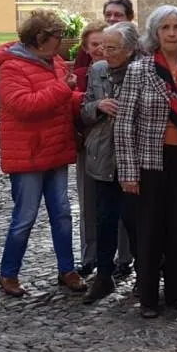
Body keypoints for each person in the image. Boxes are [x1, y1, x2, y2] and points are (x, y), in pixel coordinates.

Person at [0, 9, 87, 297]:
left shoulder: (53, 61)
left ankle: (67, 269)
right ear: (40, 38)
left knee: (62, 214)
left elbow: (65, 98)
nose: (62, 43)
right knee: (25, 216)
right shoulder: (12, 68)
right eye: (58, 37)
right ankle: (9, 273)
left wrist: (87, 100)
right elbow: (23, 106)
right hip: (29, 156)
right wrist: (63, 89)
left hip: (55, 150)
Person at [114, 5, 177, 318]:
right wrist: (128, 172)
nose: (172, 33)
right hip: (150, 160)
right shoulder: (140, 70)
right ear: (155, 33)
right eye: (165, 28)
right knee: (149, 230)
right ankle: (149, 296)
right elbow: (124, 124)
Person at [80, 21, 142, 303]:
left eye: (112, 47)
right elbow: (84, 109)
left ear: (130, 50)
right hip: (104, 156)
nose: (104, 52)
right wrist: (98, 107)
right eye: (102, 46)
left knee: (137, 220)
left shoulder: (144, 71)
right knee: (105, 219)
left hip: (135, 158)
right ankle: (103, 276)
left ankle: (144, 276)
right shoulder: (98, 70)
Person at [71, 20, 107, 279]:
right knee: (89, 204)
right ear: (85, 46)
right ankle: (89, 255)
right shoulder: (79, 74)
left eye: (105, 44)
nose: (100, 49)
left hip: (117, 147)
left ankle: (123, 257)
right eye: (95, 44)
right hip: (88, 144)